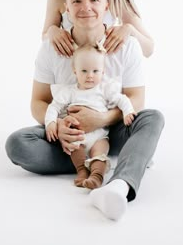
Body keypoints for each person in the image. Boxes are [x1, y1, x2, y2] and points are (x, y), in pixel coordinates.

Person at [5, 0, 164, 221]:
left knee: (152, 118)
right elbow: (39, 101)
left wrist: (100, 120)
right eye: (77, 1)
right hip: (70, 136)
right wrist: (57, 125)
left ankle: (119, 185)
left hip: (113, 129)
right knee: (17, 144)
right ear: (66, 8)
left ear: (106, 5)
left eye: (94, 0)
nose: (86, 7)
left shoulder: (125, 45)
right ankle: (109, 160)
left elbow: (136, 99)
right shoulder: (52, 46)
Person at [45, 43, 136, 189]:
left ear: (103, 72)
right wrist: (51, 123)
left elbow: (122, 99)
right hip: (77, 136)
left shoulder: (104, 89)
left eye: (95, 71)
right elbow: (54, 106)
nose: (90, 76)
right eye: (84, 71)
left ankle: (96, 177)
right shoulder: (70, 92)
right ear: (75, 71)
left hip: (99, 137)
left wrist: (128, 112)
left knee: (100, 152)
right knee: (75, 148)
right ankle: (81, 171)